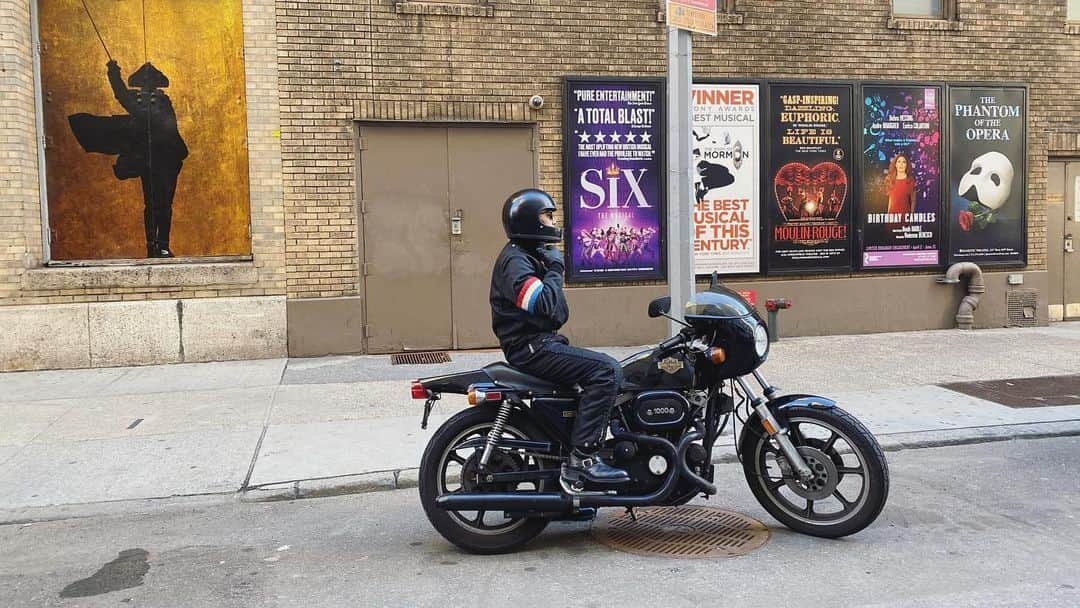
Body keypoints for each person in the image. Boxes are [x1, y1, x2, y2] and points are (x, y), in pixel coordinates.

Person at [490, 189, 630, 486]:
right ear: (529, 219)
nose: (553, 220)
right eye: (547, 214)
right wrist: (555, 268)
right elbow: (545, 306)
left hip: (541, 342)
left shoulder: (528, 256)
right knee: (606, 370)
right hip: (531, 348)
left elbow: (555, 313)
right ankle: (583, 458)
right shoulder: (515, 262)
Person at [68, 60, 188, 258]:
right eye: (145, 81)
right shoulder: (137, 100)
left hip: (165, 160)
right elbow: (121, 93)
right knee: (152, 204)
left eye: (151, 82)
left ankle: (163, 246)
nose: (148, 85)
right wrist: (113, 73)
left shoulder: (163, 102)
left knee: (164, 204)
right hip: (149, 159)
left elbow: (169, 130)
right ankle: (152, 246)